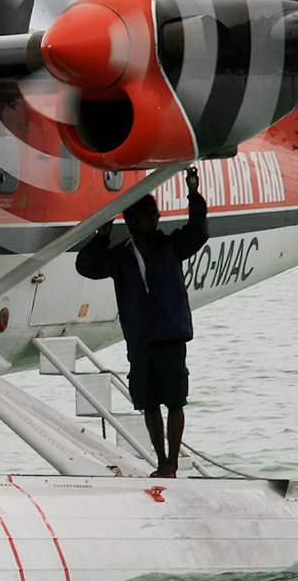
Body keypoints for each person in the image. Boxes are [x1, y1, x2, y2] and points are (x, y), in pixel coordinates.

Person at [75, 166, 208, 478]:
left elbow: (199, 231)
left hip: (170, 335)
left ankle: (171, 462)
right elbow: (86, 265)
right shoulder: (120, 256)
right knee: (148, 403)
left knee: (175, 401)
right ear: (132, 221)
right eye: (148, 214)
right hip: (141, 338)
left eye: (155, 213)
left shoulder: (171, 246)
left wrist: (193, 192)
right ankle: (161, 460)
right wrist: (101, 236)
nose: (155, 217)